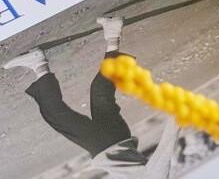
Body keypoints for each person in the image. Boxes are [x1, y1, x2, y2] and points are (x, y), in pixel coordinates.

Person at [4, 16, 179, 178]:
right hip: (106, 146)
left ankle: (113, 32)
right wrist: (177, 120)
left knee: (100, 93)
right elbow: (165, 153)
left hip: (120, 137)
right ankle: (37, 63)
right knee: (56, 115)